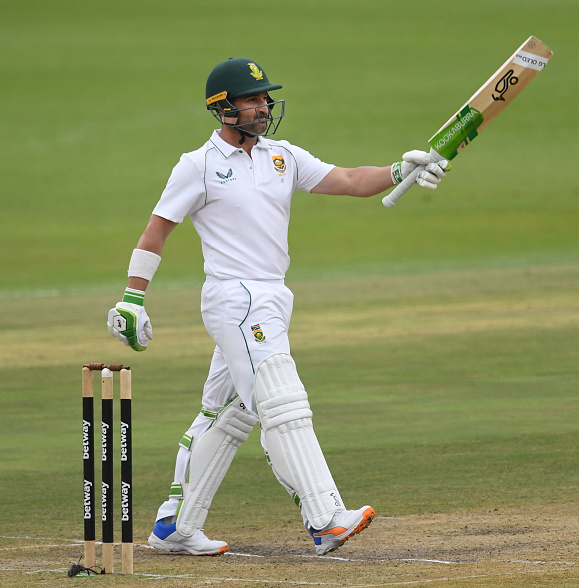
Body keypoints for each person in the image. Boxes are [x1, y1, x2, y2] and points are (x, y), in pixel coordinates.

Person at [107, 57, 449, 557]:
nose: (264, 106)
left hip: (272, 295)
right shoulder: (197, 164)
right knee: (281, 401)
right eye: (253, 99)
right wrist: (133, 297)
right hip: (235, 298)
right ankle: (325, 517)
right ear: (223, 108)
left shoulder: (281, 156)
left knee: (228, 414)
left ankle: (177, 525)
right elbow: (157, 229)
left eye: (266, 98)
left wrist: (402, 168)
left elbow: (351, 179)